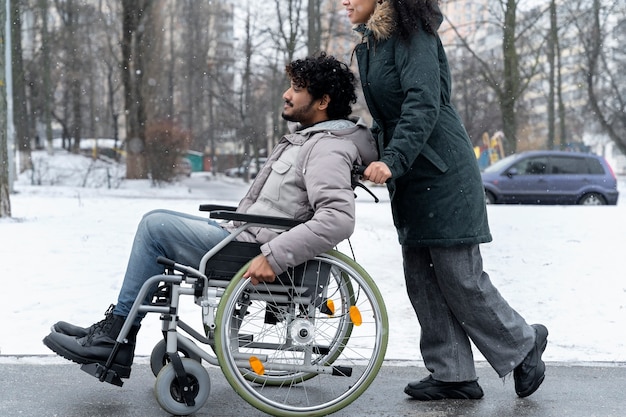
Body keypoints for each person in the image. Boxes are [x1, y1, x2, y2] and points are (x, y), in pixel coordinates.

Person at [43, 52, 377, 379]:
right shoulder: (308, 140)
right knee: (158, 218)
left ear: (322, 101)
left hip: (255, 250)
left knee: (154, 227)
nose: (286, 94)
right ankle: (118, 332)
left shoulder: (328, 147)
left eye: (296, 88)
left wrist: (273, 258)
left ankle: (115, 335)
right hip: (245, 238)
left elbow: (337, 218)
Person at [341, 0, 548, 400]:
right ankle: (452, 373)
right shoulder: (372, 44)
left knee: (459, 276)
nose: (344, 2)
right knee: (421, 278)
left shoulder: (412, 36)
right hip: (414, 177)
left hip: (442, 172)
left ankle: (524, 345)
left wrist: (393, 159)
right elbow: (388, 116)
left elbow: (423, 103)